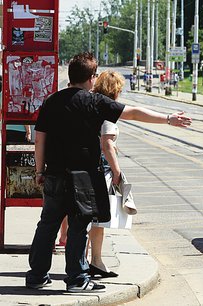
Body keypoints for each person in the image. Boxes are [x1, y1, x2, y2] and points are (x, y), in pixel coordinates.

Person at [26, 52, 192, 293]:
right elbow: (133, 113)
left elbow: (39, 140)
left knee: (47, 225)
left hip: (54, 174)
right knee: (78, 227)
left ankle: (37, 275)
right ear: (91, 78)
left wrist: (40, 170)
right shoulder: (94, 102)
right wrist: (168, 119)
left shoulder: (51, 101)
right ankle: (76, 279)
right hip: (82, 177)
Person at [87, 70, 127, 278]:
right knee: (98, 219)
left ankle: (88, 261)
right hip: (102, 169)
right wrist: (117, 171)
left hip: (89, 165)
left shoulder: (92, 105)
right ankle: (95, 262)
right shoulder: (108, 111)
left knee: (89, 218)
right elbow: (107, 144)